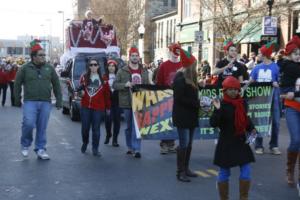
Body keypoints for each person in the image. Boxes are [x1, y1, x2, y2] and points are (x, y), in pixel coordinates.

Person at [14, 39, 62, 160]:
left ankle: (40, 149)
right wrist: (17, 99)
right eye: (41, 55)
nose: (43, 57)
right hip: (30, 101)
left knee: (42, 127)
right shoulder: (25, 68)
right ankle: (25, 144)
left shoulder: (49, 68)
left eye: (44, 55)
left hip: (46, 102)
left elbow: (56, 84)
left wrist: (59, 101)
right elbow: (17, 83)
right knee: (28, 124)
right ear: (33, 56)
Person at [210, 76, 256, 200]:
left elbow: (245, 120)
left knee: (246, 171)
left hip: (241, 141)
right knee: (224, 172)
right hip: (226, 143)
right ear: (225, 90)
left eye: (236, 89)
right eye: (230, 89)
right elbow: (213, 123)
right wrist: (218, 109)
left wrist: (252, 131)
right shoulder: (221, 104)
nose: (233, 92)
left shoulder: (242, 103)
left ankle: (243, 198)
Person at [113, 46, 149, 158]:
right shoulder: (122, 70)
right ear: (129, 57)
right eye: (132, 56)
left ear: (139, 57)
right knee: (129, 126)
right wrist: (125, 85)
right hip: (127, 102)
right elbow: (114, 85)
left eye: (136, 56)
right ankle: (130, 147)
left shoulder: (144, 71)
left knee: (137, 127)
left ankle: (137, 149)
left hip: (139, 102)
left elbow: (147, 85)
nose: (134, 58)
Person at [173, 48, 199, 182]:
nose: (196, 67)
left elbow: (192, 93)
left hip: (191, 116)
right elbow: (179, 98)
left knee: (189, 144)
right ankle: (180, 172)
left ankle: (186, 168)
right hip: (183, 116)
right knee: (184, 143)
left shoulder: (192, 78)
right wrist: (195, 103)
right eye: (194, 65)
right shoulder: (179, 79)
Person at [250, 42, 281, 155]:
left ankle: (274, 145)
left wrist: (276, 84)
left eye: (259, 53)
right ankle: (259, 145)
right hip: (260, 100)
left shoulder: (276, 67)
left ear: (264, 55)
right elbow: (251, 81)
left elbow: (280, 82)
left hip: (274, 99)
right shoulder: (257, 68)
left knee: (276, 122)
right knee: (259, 121)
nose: (257, 55)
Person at [76, 58, 111, 156]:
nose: (93, 67)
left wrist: (108, 108)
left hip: (98, 108)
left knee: (96, 129)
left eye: (95, 64)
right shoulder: (84, 77)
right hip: (85, 107)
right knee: (85, 128)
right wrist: (80, 93)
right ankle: (85, 142)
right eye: (91, 65)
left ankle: (95, 148)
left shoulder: (104, 79)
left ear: (98, 66)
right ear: (88, 67)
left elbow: (107, 95)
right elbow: (79, 91)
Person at [280, 35, 300, 189]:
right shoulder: (287, 67)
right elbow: (284, 89)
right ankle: (290, 169)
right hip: (292, 107)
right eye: (295, 54)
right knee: (296, 140)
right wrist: (291, 92)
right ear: (288, 55)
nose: (298, 56)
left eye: (299, 54)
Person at [156, 43, 182, 154]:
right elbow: (159, 81)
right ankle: (164, 144)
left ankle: (171, 144)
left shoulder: (182, 65)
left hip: (179, 97)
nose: (176, 55)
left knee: (175, 121)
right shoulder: (164, 65)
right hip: (166, 96)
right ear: (170, 52)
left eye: (177, 52)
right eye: (173, 52)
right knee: (165, 120)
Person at [104, 59, 121, 147]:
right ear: (107, 67)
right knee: (108, 120)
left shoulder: (119, 76)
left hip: (117, 101)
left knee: (117, 121)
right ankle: (108, 134)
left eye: (113, 66)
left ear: (115, 67)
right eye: (109, 66)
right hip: (108, 102)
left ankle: (115, 139)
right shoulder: (104, 77)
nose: (111, 67)